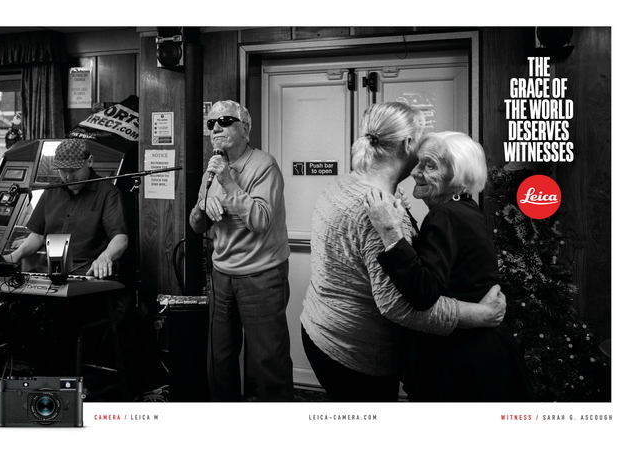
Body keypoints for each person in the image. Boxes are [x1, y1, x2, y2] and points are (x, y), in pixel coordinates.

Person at [300, 102, 507, 402]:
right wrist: (480, 315)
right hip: (356, 350)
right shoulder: (377, 211)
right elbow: (398, 307)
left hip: (321, 329)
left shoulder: (347, 182)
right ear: (409, 143)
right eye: (421, 138)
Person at [365, 131, 535, 401]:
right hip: (484, 350)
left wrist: (390, 231)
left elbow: (423, 293)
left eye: (430, 166)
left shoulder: (444, 214)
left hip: (463, 361)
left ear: (457, 177)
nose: (415, 172)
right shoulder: (465, 208)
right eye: (418, 162)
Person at [189, 100, 293, 401]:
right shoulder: (212, 168)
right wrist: (202, 208)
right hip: (222, 275)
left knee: (269, 361)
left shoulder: (264, 165)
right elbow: (197, 226)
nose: (216, 128)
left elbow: (259, 220)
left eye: (225, 121)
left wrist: (227, 181)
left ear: (245, 128)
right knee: (219, 359)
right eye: (211, 123)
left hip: (261, 275)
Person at [7, 138, 128, 279]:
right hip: (49, 269)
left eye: (74, 170)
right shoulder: (52, 190)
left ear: (90, 161)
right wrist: (15, 255)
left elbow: (120, 237)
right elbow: (39, 235)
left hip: (87, 271)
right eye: (63, 171)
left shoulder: (108, 193)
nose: (69, 177)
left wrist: (105, 256)